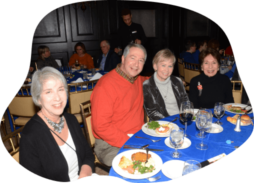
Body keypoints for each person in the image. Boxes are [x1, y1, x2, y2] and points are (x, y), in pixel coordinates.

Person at [19, 67, 95, 182]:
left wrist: (84, 174)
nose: (58, 98)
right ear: (38, 99)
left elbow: (88, 155)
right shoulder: (30, 136)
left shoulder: (71, 120)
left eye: (60, 89)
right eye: (48, 92)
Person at [91, 43, 148, 166]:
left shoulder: (138, 79)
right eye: (132, 58)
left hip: (137, 137)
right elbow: (100, 126)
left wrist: (169, 78)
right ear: (123, 58)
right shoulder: (105, 86)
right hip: (109, 145)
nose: (136, 64)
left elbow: (153, 80)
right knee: (139, 166)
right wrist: (130, 141)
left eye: (141, 60)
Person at [143, 49, 189, 121]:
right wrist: (171, 122)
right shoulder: (147, 86)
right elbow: (152, 112)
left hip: (180, 121)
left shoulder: (177, 82)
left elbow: (186, 103)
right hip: (161, 124)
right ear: (155, 66)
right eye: (163, 65)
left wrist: (184, 118)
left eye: (170, 66)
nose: (166, 70)